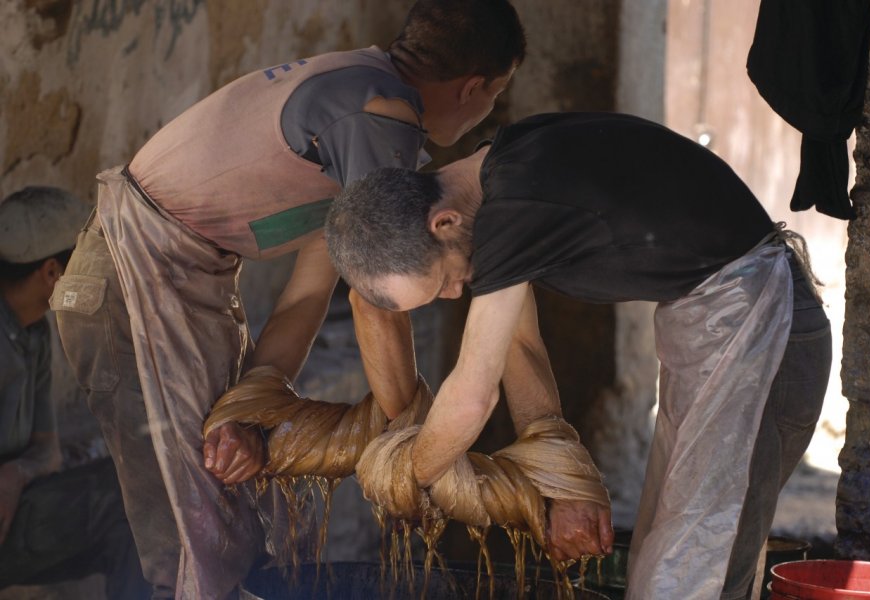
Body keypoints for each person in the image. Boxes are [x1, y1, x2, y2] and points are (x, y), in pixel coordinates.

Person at [53, 1, 525, 598]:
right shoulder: (378, 118)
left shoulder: (363, 114)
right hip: (130, 283)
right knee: (190, 528)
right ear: (476, 86)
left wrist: (252, 408)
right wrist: (411, 442)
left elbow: (306, 299)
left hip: (181, 287)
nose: (490, 109)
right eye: (498, 94)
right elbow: (373, 301)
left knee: (229, 502)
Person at [324, 112, 832, 599]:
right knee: (663, 560)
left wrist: (407, 480)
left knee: (691, 573)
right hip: (718, 334)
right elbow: (519, 348)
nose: (455, 294)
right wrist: (562, 479)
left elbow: (473, 397)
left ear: (443, 222)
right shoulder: (499, 178)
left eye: (442, 283)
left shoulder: (516, 203)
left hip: (763, 330)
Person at [0, 187, 150, 599]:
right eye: (87, 263)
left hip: (12, 508)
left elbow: (46, 451)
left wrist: (16, 473)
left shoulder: (33, 333)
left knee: (137, 499)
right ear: (52, 272)